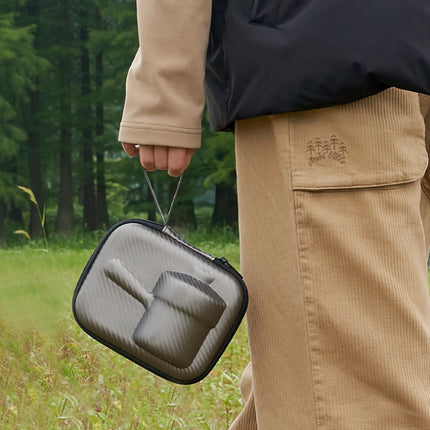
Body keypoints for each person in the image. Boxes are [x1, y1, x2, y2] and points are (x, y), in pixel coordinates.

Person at [119, 1, 430, 428]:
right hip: (331, 62)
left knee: (335, 380)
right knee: (356, 396)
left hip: (382, 51)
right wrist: (166, 84)